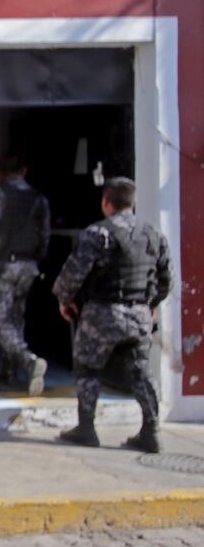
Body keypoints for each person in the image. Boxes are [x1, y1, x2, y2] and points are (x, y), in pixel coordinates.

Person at [53, 177, 170, 453]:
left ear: (106, 202)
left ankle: (86, 428)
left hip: (102, 314)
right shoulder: (152, 234)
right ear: (133, 202)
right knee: (141, 371)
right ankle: (151, 431)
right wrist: (152, 304)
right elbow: (167, 277)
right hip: (140, 314)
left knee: (88, 368)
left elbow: (73, 273)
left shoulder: (98, 233)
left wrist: (64, 299)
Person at [0, 154, 50, 395]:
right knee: (15, 318)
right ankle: (10, 373)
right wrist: (37, 260)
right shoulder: (39, 199)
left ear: (0, 172)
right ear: (24, 170)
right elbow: (44, 235)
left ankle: (27, 361)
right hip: (28, 265)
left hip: (4, 265)